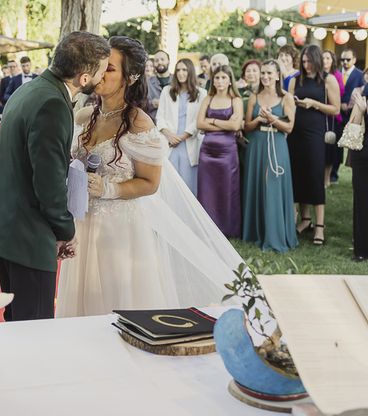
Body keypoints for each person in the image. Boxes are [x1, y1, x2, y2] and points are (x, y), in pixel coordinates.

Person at [56, 36, 246, 317]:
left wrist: (108, 188)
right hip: (84, 223)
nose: (100, 73)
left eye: (109, 68)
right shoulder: (85, 116)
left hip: (120, 229)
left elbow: (150, 183)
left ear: (129, 77)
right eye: (99, 66)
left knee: (115, 304)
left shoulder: (138, 122)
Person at [0, 31, 110, 322]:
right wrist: (66, 231)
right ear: (84, 78)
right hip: (28, 235)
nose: (103, 77)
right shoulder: (52, 104)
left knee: (16, 321)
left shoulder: (29, 90)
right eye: (101, 70)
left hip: (7, 227)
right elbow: (49, 186)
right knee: (34, 327)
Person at [242, 60, 297, 252]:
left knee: (274, 186)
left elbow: (289, 127)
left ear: (277, 75)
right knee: (257, 184)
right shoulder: (254, 97)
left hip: (278, 144)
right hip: (257, 144)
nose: (265, 77)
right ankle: (255, 232)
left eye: (269, 73)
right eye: (263, 73)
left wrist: (273, 119)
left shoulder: (286, 98)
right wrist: (259, 119)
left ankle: (276, 234)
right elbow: (246, 127)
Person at [288, 45, 340, 246]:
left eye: (310, 61)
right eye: (304, 61)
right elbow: (289, 104)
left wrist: (314, 104)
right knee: (298, 175)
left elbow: (335, 109)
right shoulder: (295, 79)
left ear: (317, 61)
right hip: (296, 133)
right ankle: (305, 219)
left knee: (315, 176)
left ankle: (319, 226)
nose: (306, 65)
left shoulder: (328, 79)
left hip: (315, 134)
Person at [196, 65, 244, 238]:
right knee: (207, 190)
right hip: (207, 152)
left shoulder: (236, 100)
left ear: (230, 80)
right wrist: (223, 123)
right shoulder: (208, 99)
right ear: (213, 80)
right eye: (217, 78)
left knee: (227, 189)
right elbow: (199, 124)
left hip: (227, 152)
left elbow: (235, 126)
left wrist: (212, 120)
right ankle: (208, 229)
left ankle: (228, 229)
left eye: (224, 77)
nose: (220, 81)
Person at [157, 58, 207, 195]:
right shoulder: (167, 91)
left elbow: (198, 120)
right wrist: (169, 135)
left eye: (184, 70)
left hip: (188, 144)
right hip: (170, 143)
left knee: (188, 187)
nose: (181, 73)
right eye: (178, 70)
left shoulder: (201, 93)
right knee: (169, 186)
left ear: (190, 71)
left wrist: (181, 137)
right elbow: (160, 117)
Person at [334, 48, 365, 183]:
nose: (345, 62)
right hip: (337, 113)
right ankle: (334, 173)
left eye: (348, 59)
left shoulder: (360, 75)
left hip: (354, 114)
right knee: (336, 145)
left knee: (353, 145)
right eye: (343, 60)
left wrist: (352, 106)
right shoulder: (336, 74)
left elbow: (363, 93)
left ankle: (355, 172)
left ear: (354, 60)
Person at [348, 92, 368, 261]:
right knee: (361, 201)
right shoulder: (363, 96)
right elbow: (352, 130)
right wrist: (361, 111)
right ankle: (361, 250)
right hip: (363, 155)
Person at [322, 50, 344, 187]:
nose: (325, 60)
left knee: (331, 150)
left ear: (332, 60)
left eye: (327, 58)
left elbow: (340, 92)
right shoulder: (316, 75)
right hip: (319, 116)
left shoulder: (336, 75)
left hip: (332, 118)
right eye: (323, 58)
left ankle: (327, 178)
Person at [145, 49, 171, 120]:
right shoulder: (146, 82)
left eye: (162, 59)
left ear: (168, 61)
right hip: (153, 125)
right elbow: (138, 104)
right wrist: (152, 104)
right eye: (156, 60)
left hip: (173, 126)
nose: (159, 62)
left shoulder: (177, 81)